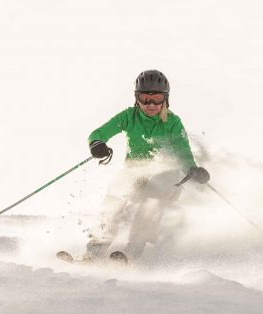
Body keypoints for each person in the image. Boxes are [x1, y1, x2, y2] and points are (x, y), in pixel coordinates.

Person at [84, 69, 210, 261]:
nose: (151, 104)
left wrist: (193, 170)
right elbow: (99, 132)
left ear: (165, 99)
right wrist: (97, 144)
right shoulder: (129, 117)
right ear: (137, 98)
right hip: (134, 171)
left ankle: (133, 252)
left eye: (157, 98)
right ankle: (94, 252)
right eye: (145, 98)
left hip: (164, 175)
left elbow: (182, 151)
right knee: (115, 198)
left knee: (153, 201)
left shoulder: (172, 122)